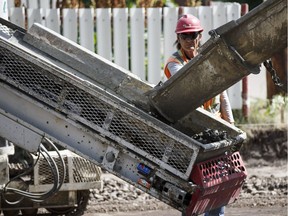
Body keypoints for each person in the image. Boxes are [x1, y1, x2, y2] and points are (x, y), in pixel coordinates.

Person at [164, 14, 234, 216]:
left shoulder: (207, 58)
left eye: (192, 35)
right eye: (184, 36)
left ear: (199, 35)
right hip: (192, 133)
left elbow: (223, 95)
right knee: (194, 189)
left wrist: (231, 125)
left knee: (218, 184)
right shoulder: (173, 63)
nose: (188, 40)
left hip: (215, 132)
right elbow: (189, 85)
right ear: (178, 38)